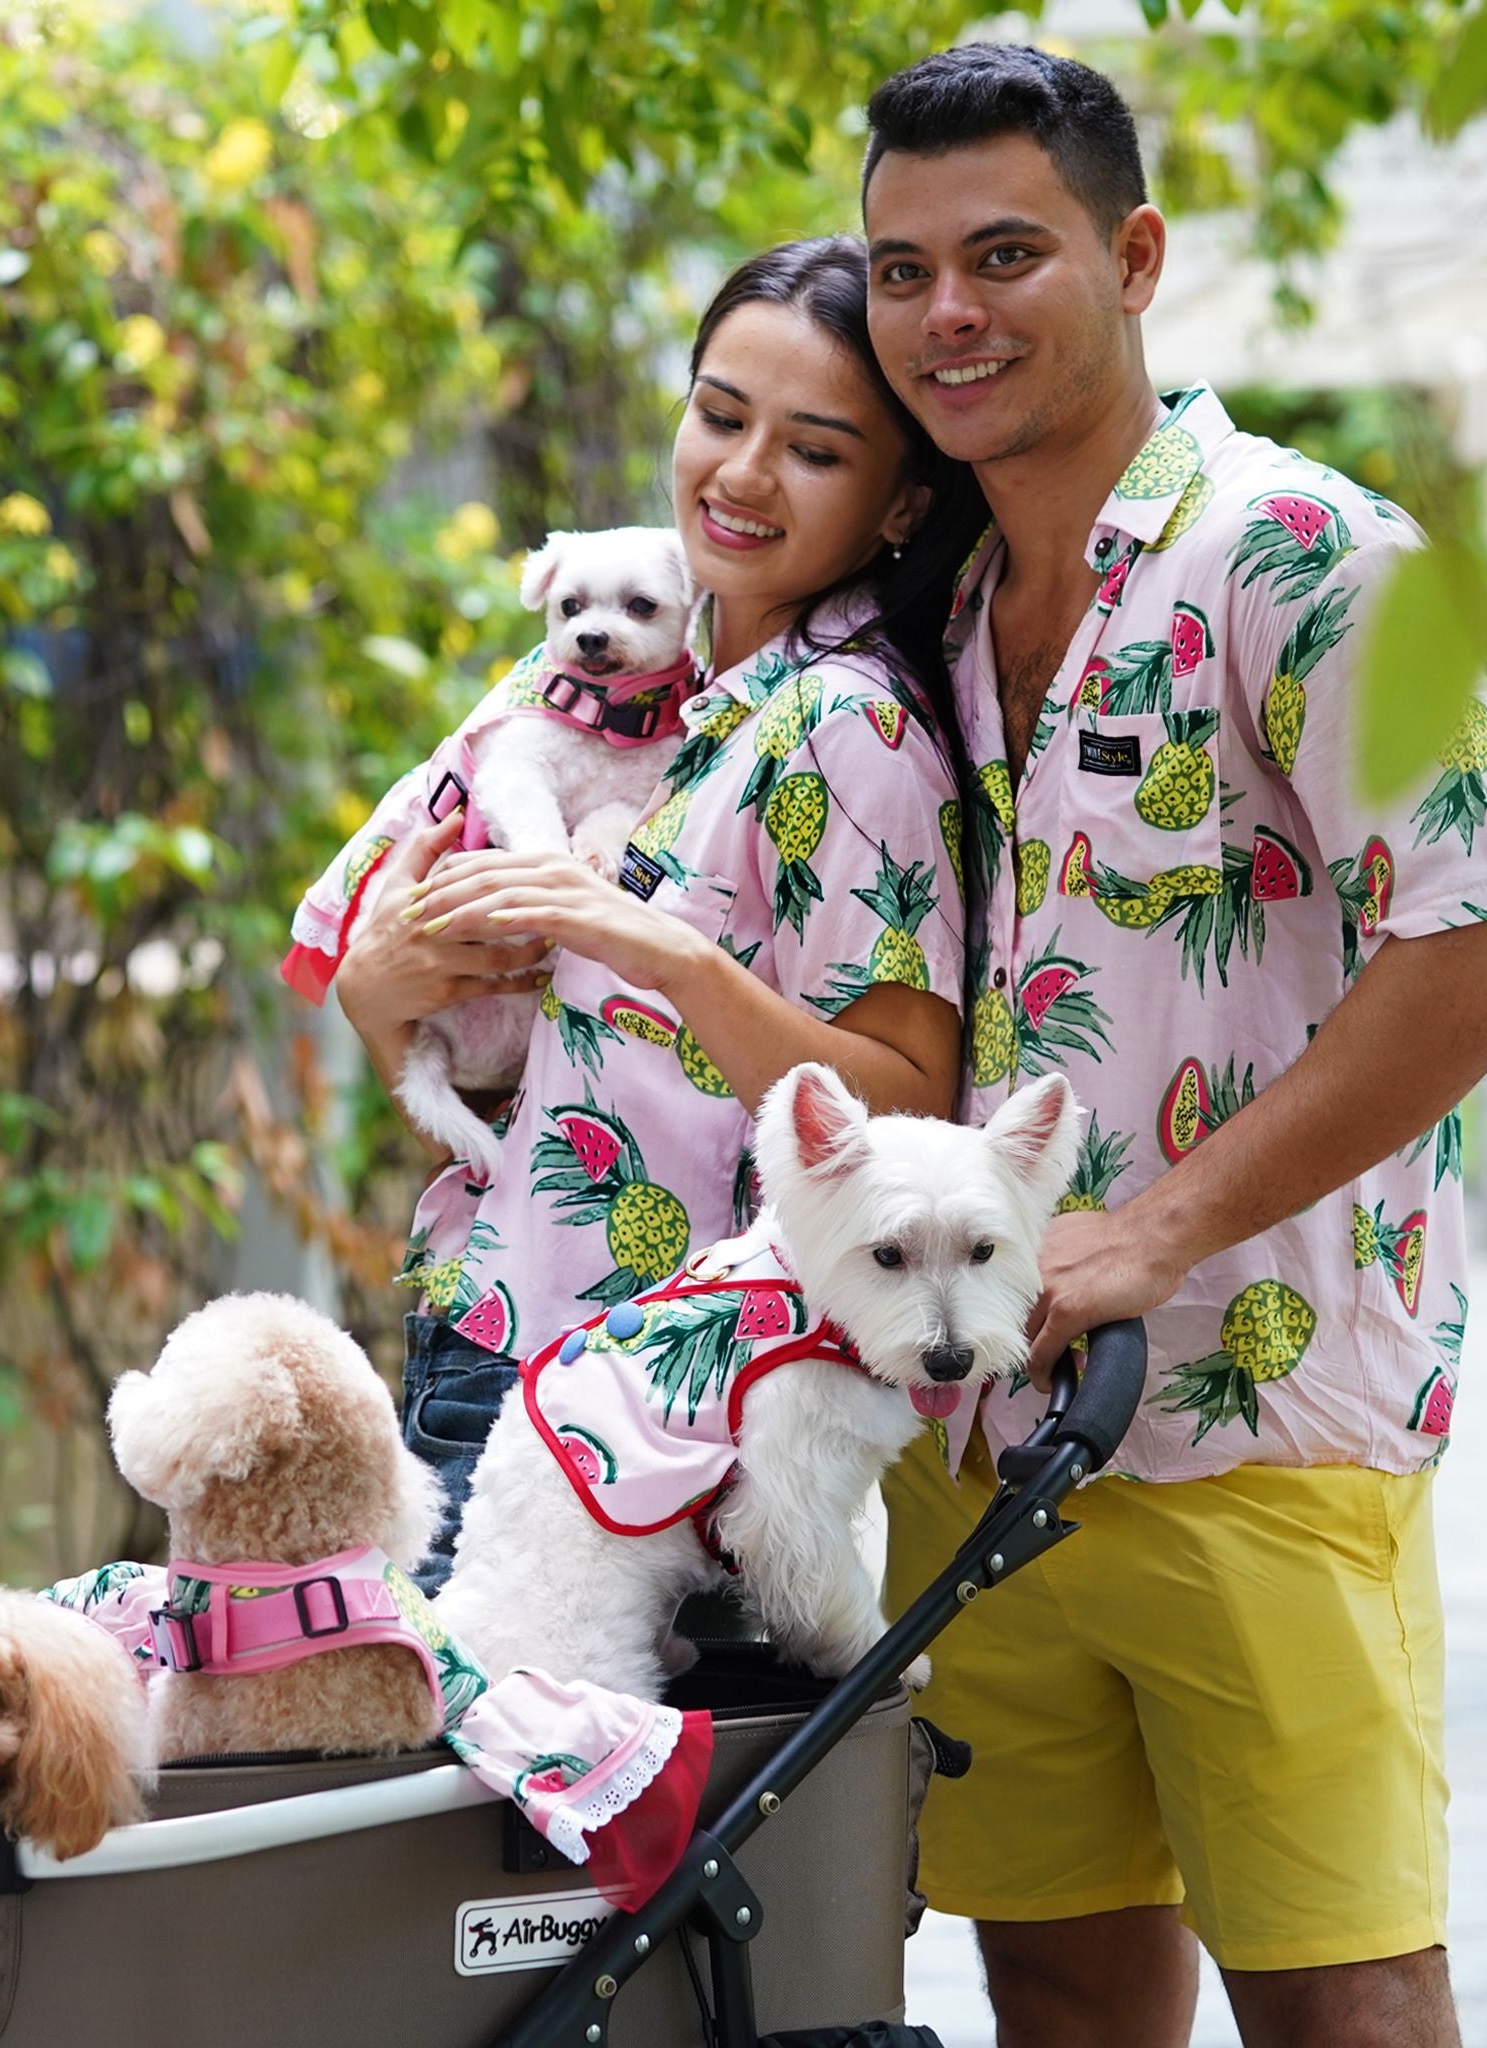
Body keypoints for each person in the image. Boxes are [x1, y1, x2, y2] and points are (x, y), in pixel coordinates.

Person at [861, 46, 1487, 2048]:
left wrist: (1155, 1233)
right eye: (903, 272)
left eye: (1005, 255)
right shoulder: (933, 599)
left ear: (1136, 256)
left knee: (1346, 2005)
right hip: (975, 1436)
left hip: (1262, 1429)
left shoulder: (1303, 552)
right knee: (1059, 1995)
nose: (948, 314)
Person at [322, 238, 989, 1587]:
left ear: (902, 501)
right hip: (500, 1330)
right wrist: (377, 988)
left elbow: (907, 1107)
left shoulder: (847, 728)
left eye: (813, 449)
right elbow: (501, 1045)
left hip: (667, 1408)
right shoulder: (620, 689)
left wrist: (661, 948)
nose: (741, 474)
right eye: (720, 415)